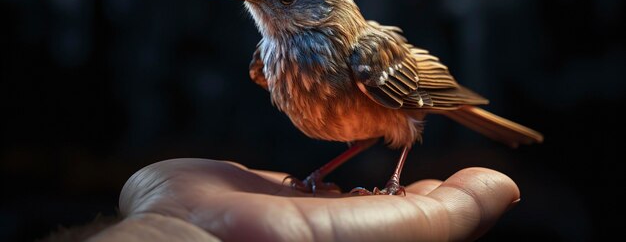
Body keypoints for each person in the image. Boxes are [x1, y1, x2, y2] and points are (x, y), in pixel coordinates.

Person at [81, 159, 520, 241]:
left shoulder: (359, 58)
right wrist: (174, 226)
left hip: (398, 112)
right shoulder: (267, 61)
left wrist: (393, 182)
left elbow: (410, 112)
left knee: (396, 124)